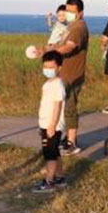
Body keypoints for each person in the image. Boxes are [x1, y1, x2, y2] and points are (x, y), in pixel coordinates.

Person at [44, 0, 89, 156]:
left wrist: (51, 52)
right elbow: (61, 44)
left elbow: (69, 47)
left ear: (80, 13)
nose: (68, 14)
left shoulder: (78, 28)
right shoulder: (70, 27)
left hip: (73, 76)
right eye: (67, 10)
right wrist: (48, 49)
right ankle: (67, 138)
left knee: (70, 108)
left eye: (72, 11)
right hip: (66, 74)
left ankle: (72, 142)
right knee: (64, 108)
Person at [33, 51, 68, 193]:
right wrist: (42, 125)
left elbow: (57, 105)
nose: (47, 70)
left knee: (50, 155)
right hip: (45, 124)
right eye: (45, 67)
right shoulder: (48, 83)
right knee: (55, 152)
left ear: (59, 67)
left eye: (51, 67)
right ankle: (59, 177)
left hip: (52, 125)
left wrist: (52, 125)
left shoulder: (58, 85)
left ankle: (49, 181)